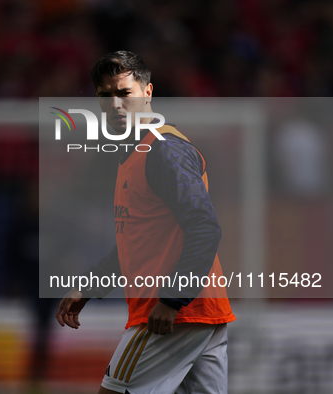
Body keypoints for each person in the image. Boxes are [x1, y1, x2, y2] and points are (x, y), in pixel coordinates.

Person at [55, 51, 235, 394]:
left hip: (172, 314)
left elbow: (204, 226)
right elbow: (137, 240)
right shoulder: (134, 155)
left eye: (124, 93)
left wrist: (172, 299)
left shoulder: (164, 150)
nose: (115, 104)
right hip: (199, 312)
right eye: (105, 96)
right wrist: (90, 287)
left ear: (148, 92)